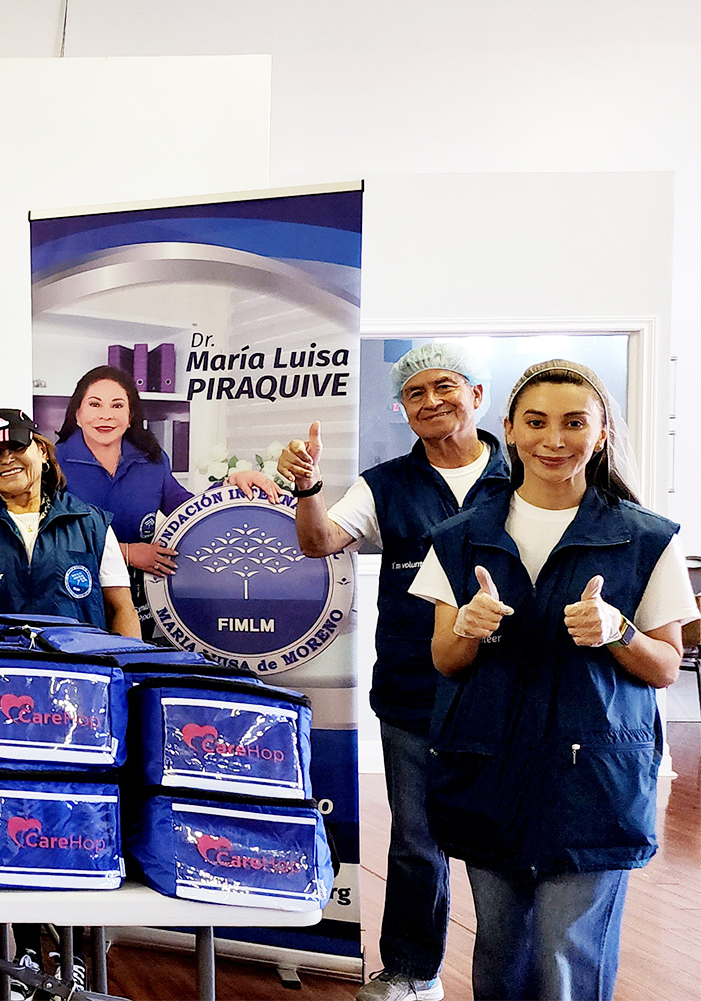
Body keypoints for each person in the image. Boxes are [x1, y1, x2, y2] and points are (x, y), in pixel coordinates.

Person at [409, 360, 692, 1001]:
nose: (553, 440)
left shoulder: (645, 540)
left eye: (574, 423)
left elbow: (667, 666)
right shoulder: (459, 540)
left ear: (600, 435)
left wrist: (619, 632)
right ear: (508, 430)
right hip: (488, 770)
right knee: (501, 955)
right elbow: (444, 660)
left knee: (567, 957)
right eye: (536, 422)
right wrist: (469, 628)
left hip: (595, 780)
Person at [275, 344, 505, 1001]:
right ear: (402, 408)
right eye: (415, 394)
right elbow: (318, 541)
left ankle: (515, 973)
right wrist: (307, 488)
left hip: (512, 694)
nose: (431, 402)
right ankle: (411, 972)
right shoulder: (387, 483)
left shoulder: (524, 473)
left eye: (445, 387)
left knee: (508, 839)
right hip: (413, 692)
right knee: (415, 841)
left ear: (477, 395)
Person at [55, 365, 279, 634]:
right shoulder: (52, 463)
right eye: (94, 404)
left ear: (130, 416)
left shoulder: (153, 461)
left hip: (139, 600)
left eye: (117, 405)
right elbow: (48, 538)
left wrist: (231, 483)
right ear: (77, 414)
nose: (106, 415)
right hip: (74, 596)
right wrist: (126, 553)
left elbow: (187, 510)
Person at [0, 409, 139, 635]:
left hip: (77, 666)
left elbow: (122, 609)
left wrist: (127, 667)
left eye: (17, 446)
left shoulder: (91, 522)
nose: (6, 459)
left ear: (42, 451)